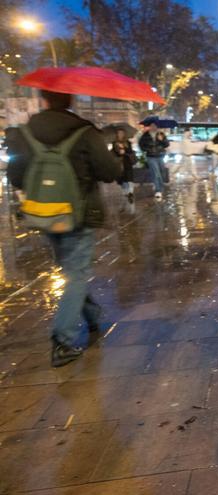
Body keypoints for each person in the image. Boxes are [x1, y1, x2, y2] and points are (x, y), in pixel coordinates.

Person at [6, 89, 121, 367]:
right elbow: (110, 172)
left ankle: (91, 314)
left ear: (44, 100)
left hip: (44, 213)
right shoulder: (85, 131)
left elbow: (16, 176)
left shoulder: (24, 132)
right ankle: (63, 341)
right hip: (78, 214)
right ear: (70, 101)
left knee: (71, 270)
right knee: (77, 273)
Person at [138, 123, 169, 201]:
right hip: (151, 157)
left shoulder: (161, 134)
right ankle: (158, 190)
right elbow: (141, 145)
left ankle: (160, 187)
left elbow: (167, 144)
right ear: (150, 126)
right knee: (155, 173)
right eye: (152, 125)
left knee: (162, 172)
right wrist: (148, 149)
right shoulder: (145, 135)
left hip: (160, 156)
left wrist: (162, 140)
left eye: (155, 125)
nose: (154, 127)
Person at [112, 128, 136, 203]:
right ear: (117, 134)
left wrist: (124, 149)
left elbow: (131, 151)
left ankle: (130, 192)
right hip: (119, 163)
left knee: (130, 177)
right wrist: (118, 151)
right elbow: (114, 153)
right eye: (119, 133)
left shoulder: (128, 142)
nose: (120, 134)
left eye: (122, 133)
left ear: (124, 134)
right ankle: (126, 192)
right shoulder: (114, 143)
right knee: (122, 178)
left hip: (127, 161)